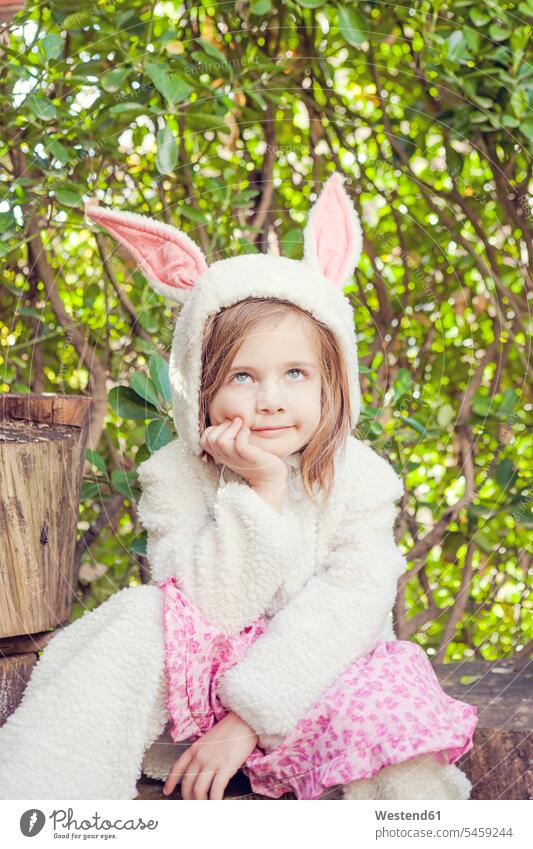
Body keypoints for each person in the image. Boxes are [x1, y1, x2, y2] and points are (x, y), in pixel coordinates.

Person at [0, 173, 477, 801]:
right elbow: (201, 607)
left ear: (335, 384)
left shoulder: (360, 478)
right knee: (132, 620)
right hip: (203, 676)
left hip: (322, 672)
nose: (271, 401)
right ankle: (42, 807)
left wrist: (249, 718)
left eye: (296, 373)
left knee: (393, 716)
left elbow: (351, 606)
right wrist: (261, 491)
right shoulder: (175, 473)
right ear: (199, 386)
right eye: (243, 376)